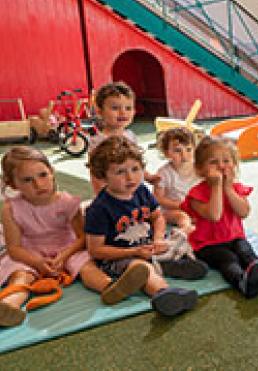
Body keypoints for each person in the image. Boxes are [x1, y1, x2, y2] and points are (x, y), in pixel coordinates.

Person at [0, 147, 150, 327]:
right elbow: (14, 248)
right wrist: (38, 263)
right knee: (20, 275)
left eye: (43, 175)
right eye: (27, 180)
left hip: (68, 247)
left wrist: (63, 256)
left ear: (52, 172)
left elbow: (81, 237)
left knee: (87, 267)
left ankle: (110, 287)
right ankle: (9, 306)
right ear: (13, 184)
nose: (39, 185)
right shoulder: (10, 209)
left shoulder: (66, 201)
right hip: (29, 252)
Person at [85, 136, 204, 317]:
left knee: (182, 240)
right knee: (142, 268)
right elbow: (96, 250)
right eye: (120, 172)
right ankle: (163, 292)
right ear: (103, 176)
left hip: (147, 246)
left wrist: (157, 239)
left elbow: (158, 217)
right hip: (120, 258)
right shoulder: (99, 209)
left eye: (135, 169)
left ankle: (168, 264)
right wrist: (133, 253)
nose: (130, 177)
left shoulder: (141, 191)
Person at [181, 136, 258, 299]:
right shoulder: (196, 194)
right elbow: (214, 216)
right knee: (229, 259)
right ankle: (242, 282)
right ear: (200, 169)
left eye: (226, 161)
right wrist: (216, 187)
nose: (221, 166)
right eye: (213, 162)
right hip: (207, 245)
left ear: (234, 165)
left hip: (234, 238)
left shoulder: (236, 188)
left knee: (246, 252)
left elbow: (244, 212)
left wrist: (228, 188)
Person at [89, 82, 158, 194]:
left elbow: (135, 163)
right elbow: (96, 176)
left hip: (136, 191)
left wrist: (148, 177)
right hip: (115, 195)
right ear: (100, 111)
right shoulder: (98, 142)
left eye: (128, 108)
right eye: (115, 108)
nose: (123, 112)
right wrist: (102, 196)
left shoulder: (130, 135)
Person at [154, 127, 199, 234]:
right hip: (171, 210)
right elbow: (157, 198)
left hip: (195, 207)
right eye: (177, 150)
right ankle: (185, 229)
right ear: (166, 153)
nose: (184, 155)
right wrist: (181, 205)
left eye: (188, 149)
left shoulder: (199, 169)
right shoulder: (163, 173)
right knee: (182, 216)